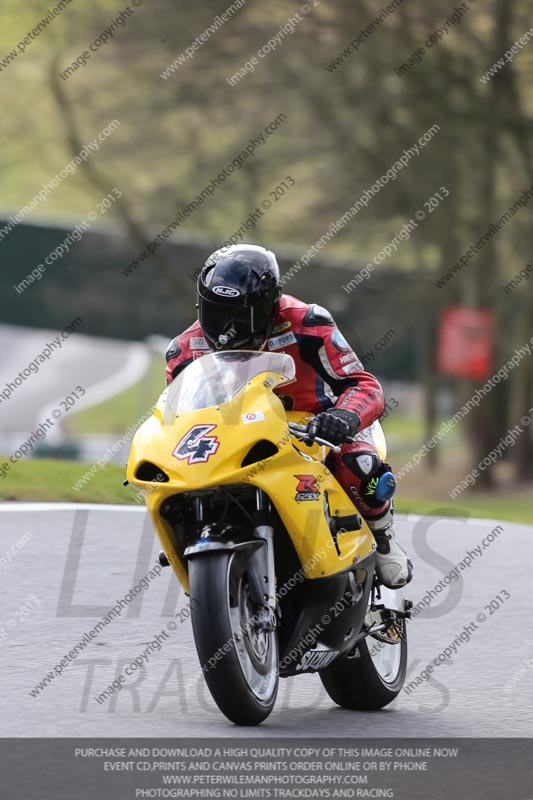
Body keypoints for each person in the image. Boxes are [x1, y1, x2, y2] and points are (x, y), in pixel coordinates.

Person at [165, 244, 412, 589]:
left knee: (363, 469)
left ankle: (382, 538)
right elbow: (177, 414)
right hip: (242, 432)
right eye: (217, 313)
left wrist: (343, 417)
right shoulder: (184, 350)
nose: (227, 330)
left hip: (318, 424)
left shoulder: (309, 324)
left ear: (271, 305)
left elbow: (363, 384)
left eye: (242, 315)